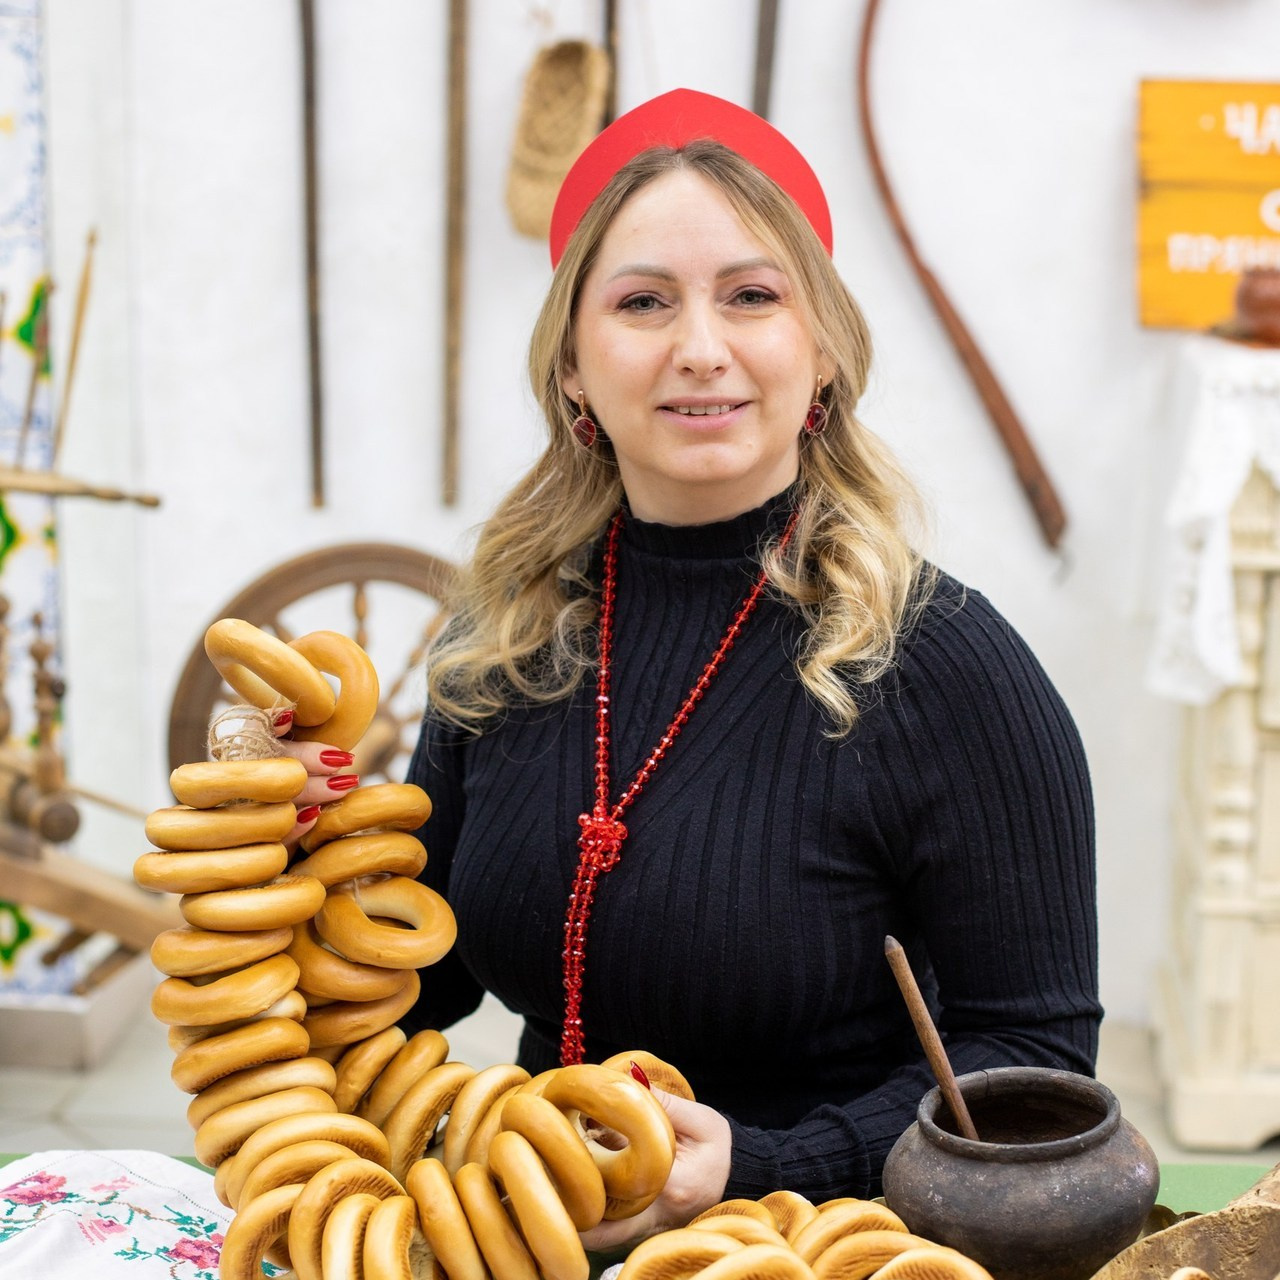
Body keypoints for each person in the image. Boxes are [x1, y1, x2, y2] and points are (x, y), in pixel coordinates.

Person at [303, 88, 1101, 1249]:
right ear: (571, 367)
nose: (699, 348)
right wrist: (297, 854)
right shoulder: (506, 637)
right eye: (641, 301)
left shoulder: (946, 667)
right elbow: (417, 980)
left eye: (751, 295)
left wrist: (758, 1165)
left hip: (829, 1248)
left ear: (820, 352)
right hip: (532, 1232)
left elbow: (1033, 1061)